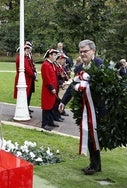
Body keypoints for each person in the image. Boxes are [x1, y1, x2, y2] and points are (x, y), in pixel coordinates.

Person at [58, 39, 104, 175]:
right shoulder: (79, 68)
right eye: (81, 52)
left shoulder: (101, 65)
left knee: (94, 136)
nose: (83, 54)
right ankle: (95, 165)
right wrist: (63, 101)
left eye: (85, 51)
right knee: (89, 135)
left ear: (93, 51)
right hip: (85, 108)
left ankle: (95, 164)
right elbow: (73, 86)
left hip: (99, 108)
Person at [13, 43, 36, 115]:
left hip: (27, 78)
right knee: (24, 95)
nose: (28, 52)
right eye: (26, 50)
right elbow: (27, 68)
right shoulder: (21, 57)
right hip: (24, 78)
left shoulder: (25, 57)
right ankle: (24, 109)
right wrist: (33, 75)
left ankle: (26, 108)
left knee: (28, 94)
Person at [41, 49, 60, 131]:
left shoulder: (52, 64)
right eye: (54, 55)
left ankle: (50, 121)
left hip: (53, 89)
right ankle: (44, 123)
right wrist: (51, 88)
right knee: (46, 107)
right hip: (48, 90)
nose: (56, 57)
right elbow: (46, 78)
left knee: (52, 106)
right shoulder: (45, 64)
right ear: (50, 55)